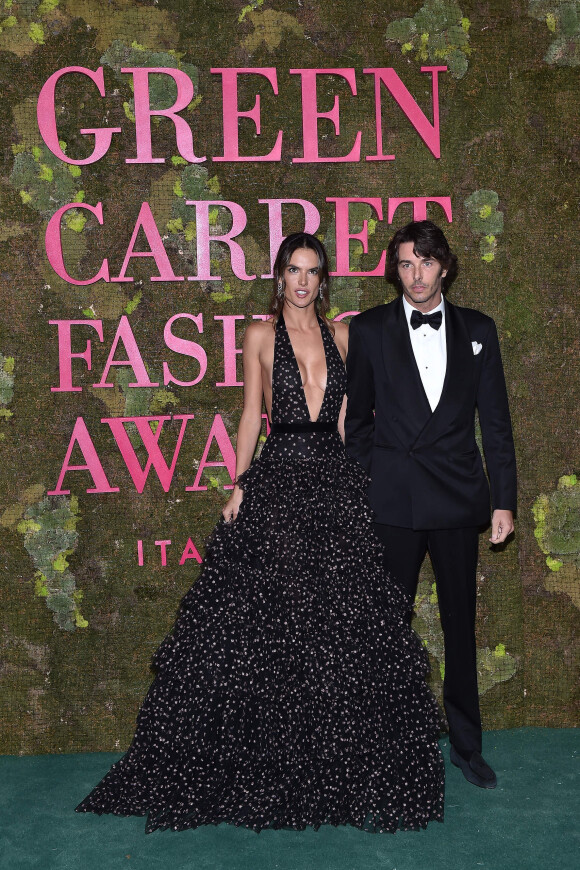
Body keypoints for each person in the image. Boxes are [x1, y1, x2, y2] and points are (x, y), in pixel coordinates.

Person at [76, 233, 444, 833]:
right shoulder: (258, 336)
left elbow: (357, 413)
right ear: (279, 277)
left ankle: (338, 763)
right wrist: (240, 485)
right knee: (268, 624)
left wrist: (362, 475)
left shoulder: (347, 336)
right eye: (294, 271)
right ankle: (264, 760)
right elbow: (252, 413)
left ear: (324, 279)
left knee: (340, 626)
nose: (303, 281)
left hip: (334, 482)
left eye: (313, 272)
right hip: (278, 480)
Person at [345, 220, 517, 790]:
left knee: (458, 626)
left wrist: (503, 501)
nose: (415, 275)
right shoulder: (369, 330)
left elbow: (495, 424)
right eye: (404, 264)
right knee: (386, 629)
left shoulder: (479, 331)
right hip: (392, 504)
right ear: (395, 271)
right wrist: (373, 484)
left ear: (444, 265)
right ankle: (383, 746)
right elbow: (358, 425)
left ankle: (467, 747)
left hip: (456, 498)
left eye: (424, 262)